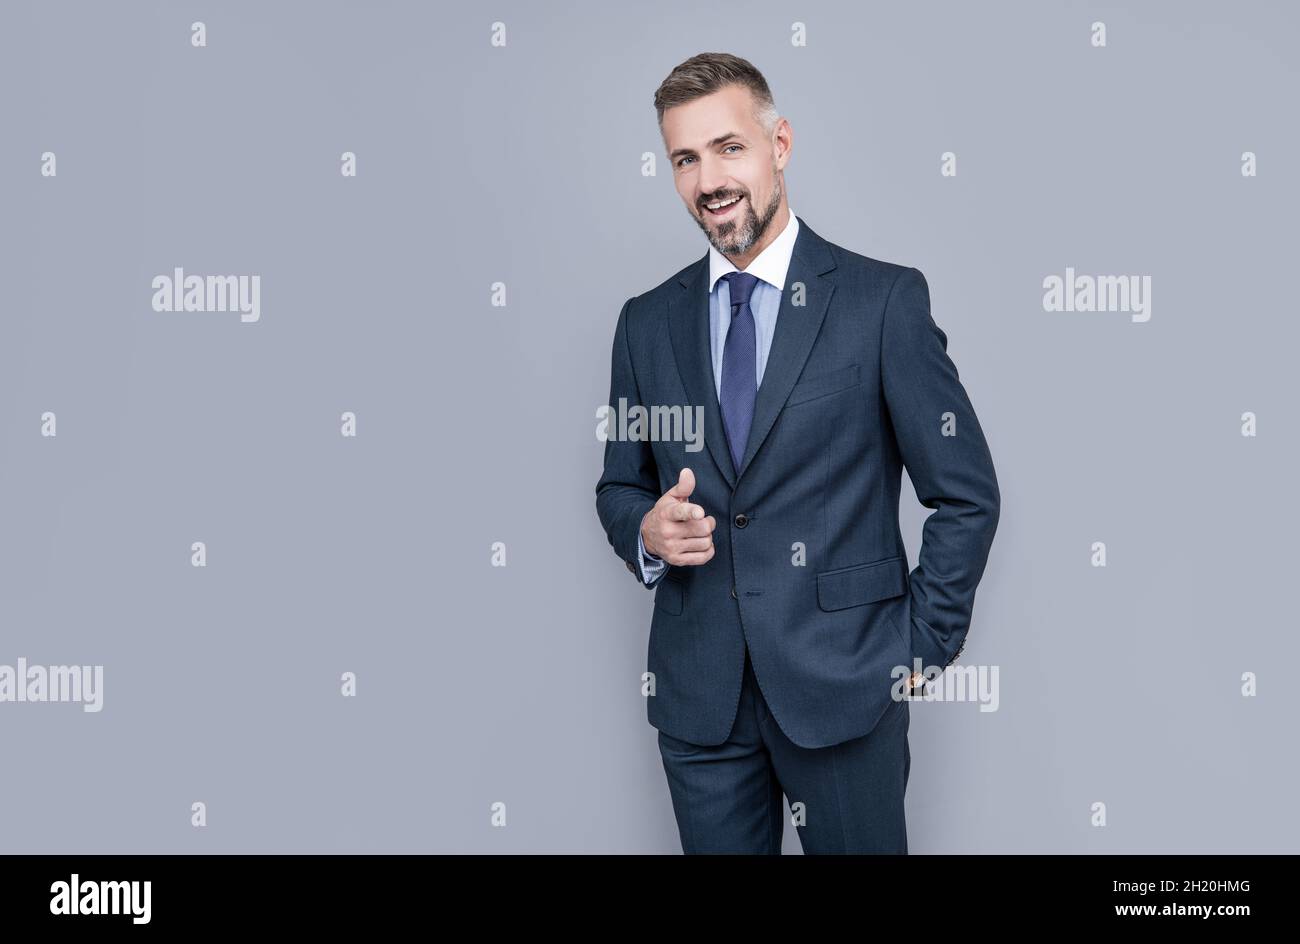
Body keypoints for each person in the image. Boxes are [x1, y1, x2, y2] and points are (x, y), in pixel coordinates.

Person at [595, 52, 1000, 854]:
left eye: (729, 148)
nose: (710, 179)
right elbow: (617, 485)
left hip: (847, 688)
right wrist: (647, 530)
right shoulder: (645, 324)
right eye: (686, 158)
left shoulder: (882, 302)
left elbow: (965, 493)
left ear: (779, 144)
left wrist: (917, 648)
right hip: (700, 701)